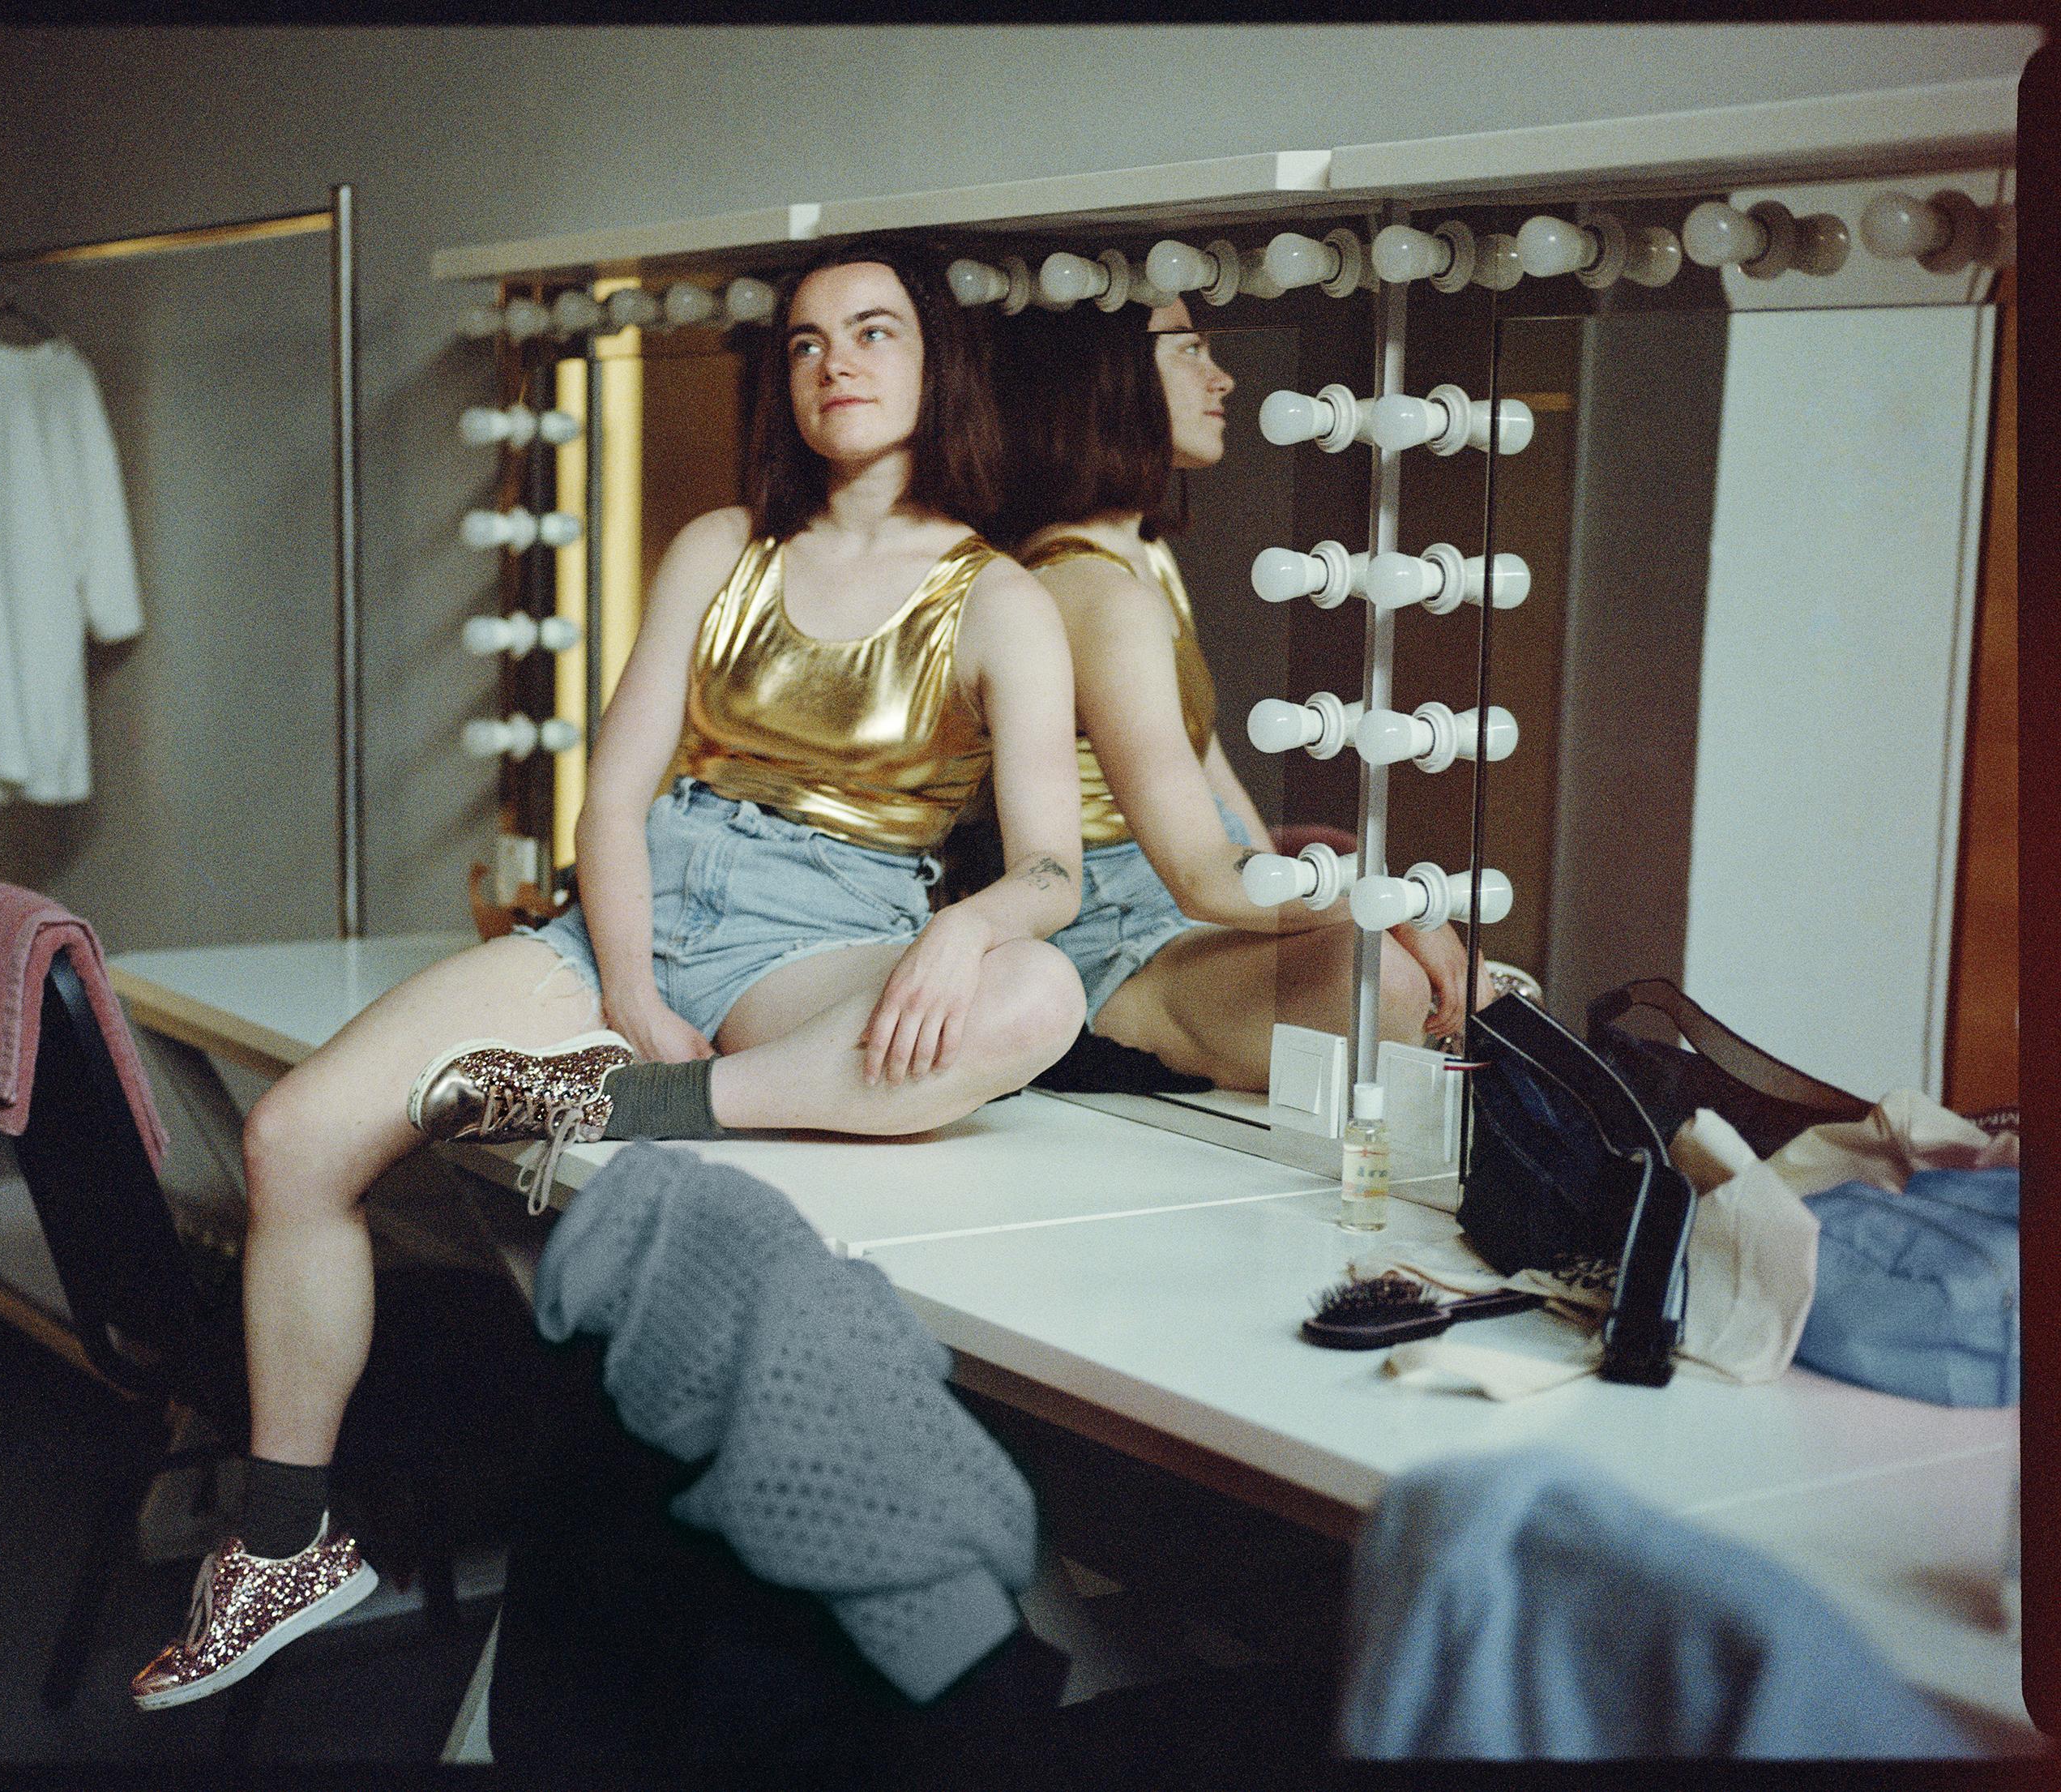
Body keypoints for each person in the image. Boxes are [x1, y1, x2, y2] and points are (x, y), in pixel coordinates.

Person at [130, 244, 1087, 1709]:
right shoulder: (721, 547)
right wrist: (628, 984)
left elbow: (1053, 878)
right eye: (809, 340)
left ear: (933, 363)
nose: (837, 361)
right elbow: (614, 797)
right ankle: (283, 1543)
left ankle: (645, 1102)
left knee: (1040, 998)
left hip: (829, 928)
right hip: (643, 903)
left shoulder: (1003, 598)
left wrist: (962, 929)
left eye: (875, 332)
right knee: (293, 1137)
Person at [983, 296, 1468, 1095]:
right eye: (1187, 350)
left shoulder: (1147, 565)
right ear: (1101, 381)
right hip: (1120, 946)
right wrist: (1391, 900)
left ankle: (1680, 1170)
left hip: (1198, 923)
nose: (1223, 378)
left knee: (1462, 978)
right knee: (1390, 982)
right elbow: (1204, 877)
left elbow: (1229, 820)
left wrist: (1374, 897)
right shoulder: (1092, 594)